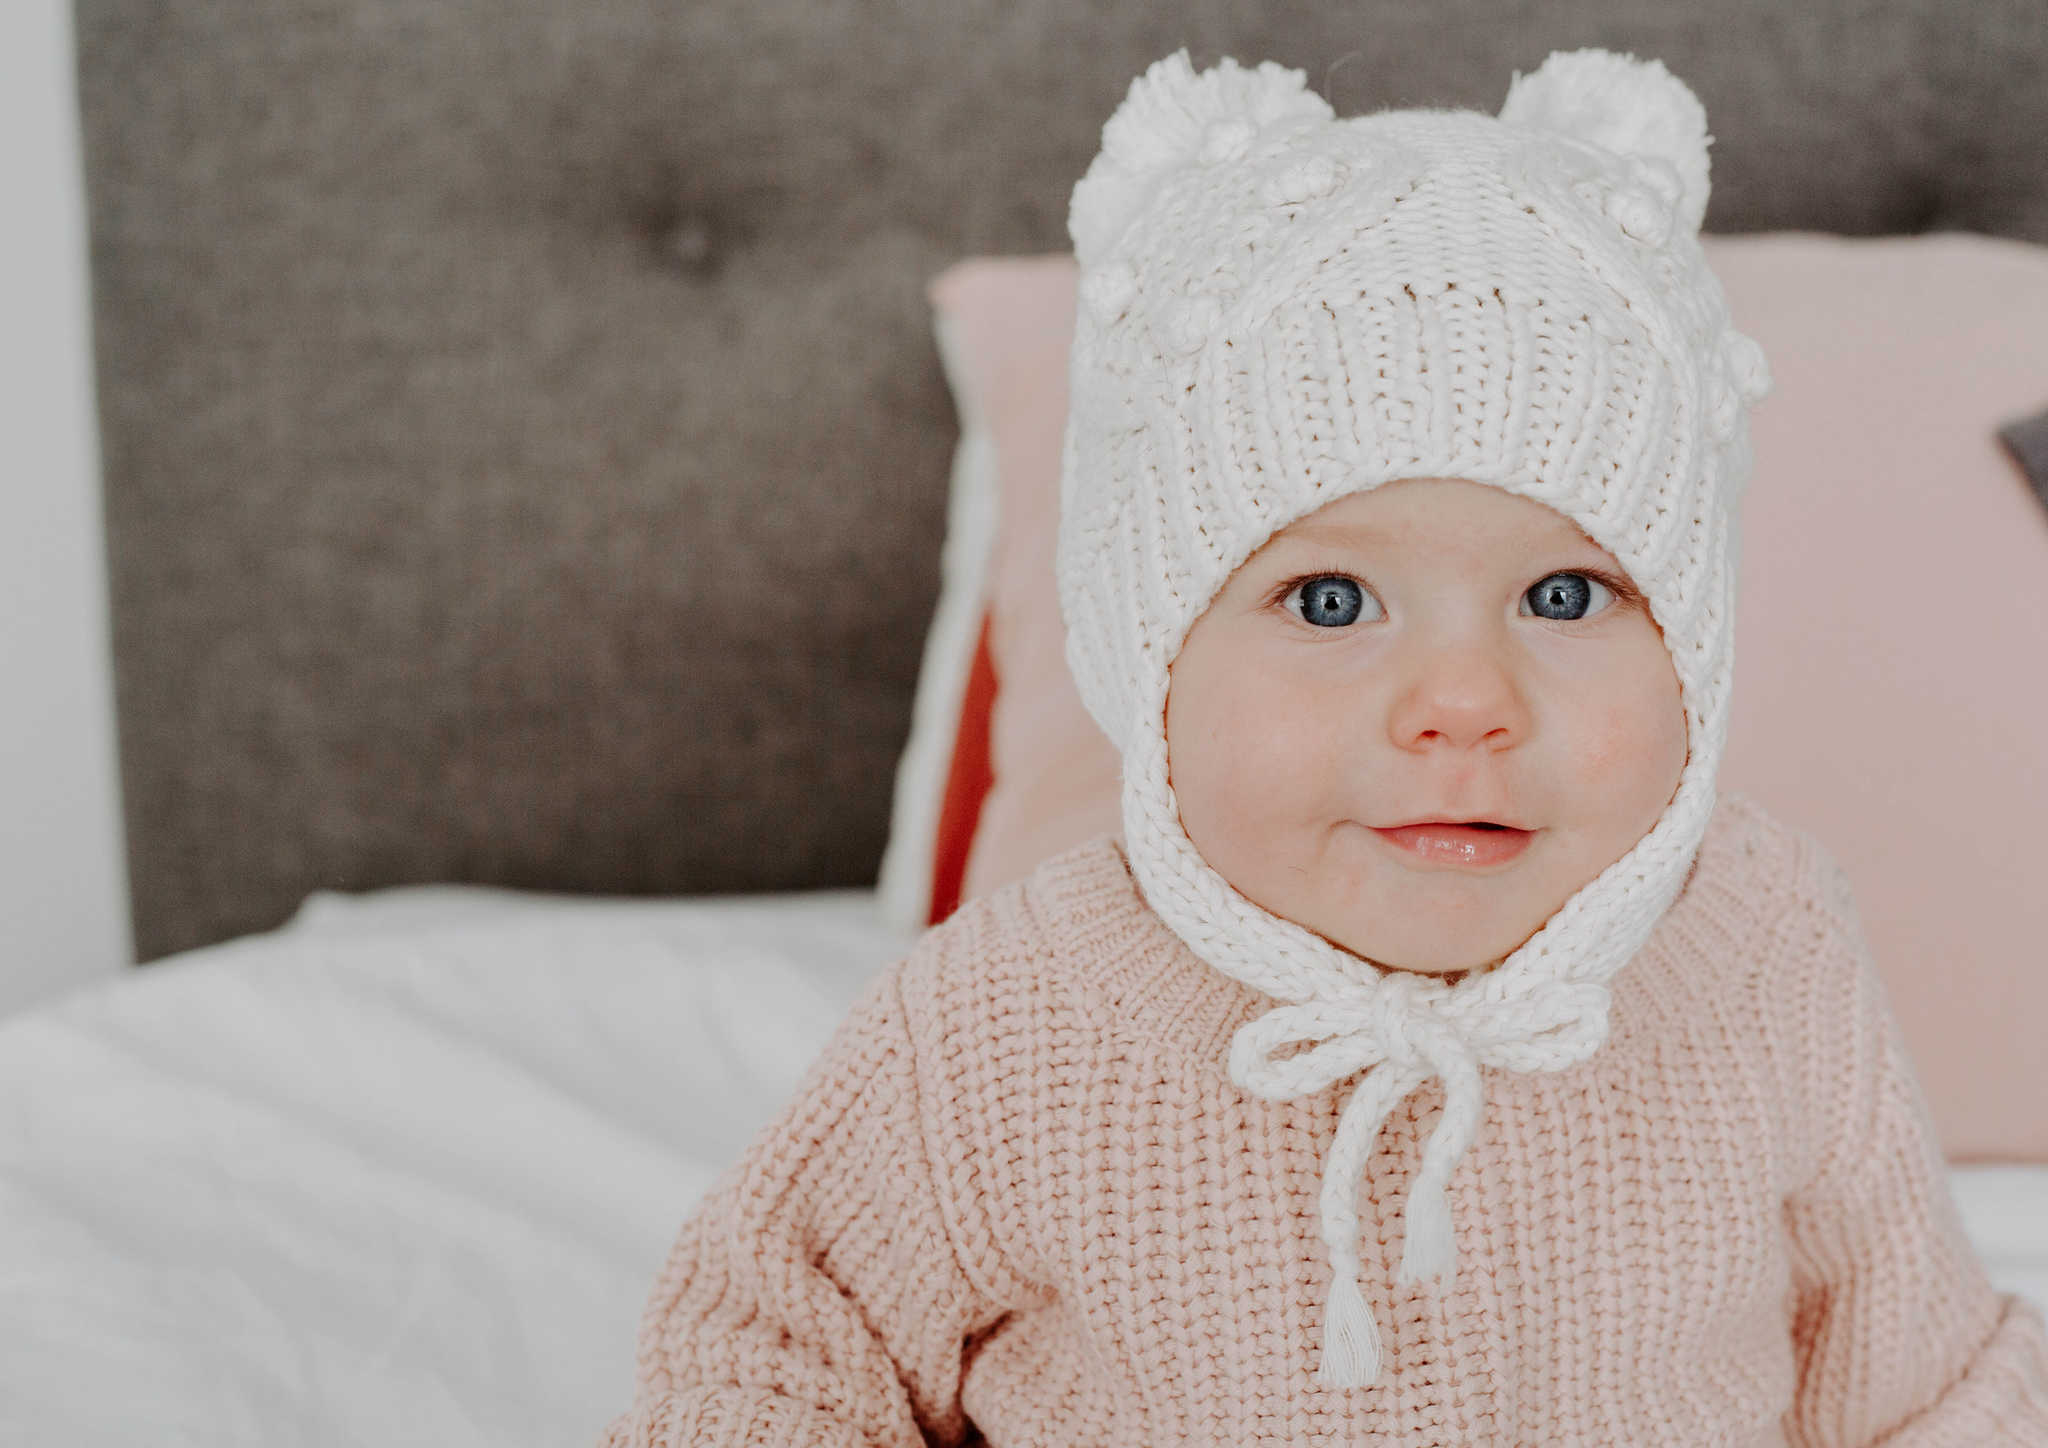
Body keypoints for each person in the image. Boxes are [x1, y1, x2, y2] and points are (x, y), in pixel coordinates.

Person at [598, 48, 2048, 1445]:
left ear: (1697, 646)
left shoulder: (1766, 945)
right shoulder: (1005, 1024)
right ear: (1153, 655)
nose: (1462, 701)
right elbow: (775, 1359)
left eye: (1565, 595)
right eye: (1331, 601)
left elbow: (1917, 1384)